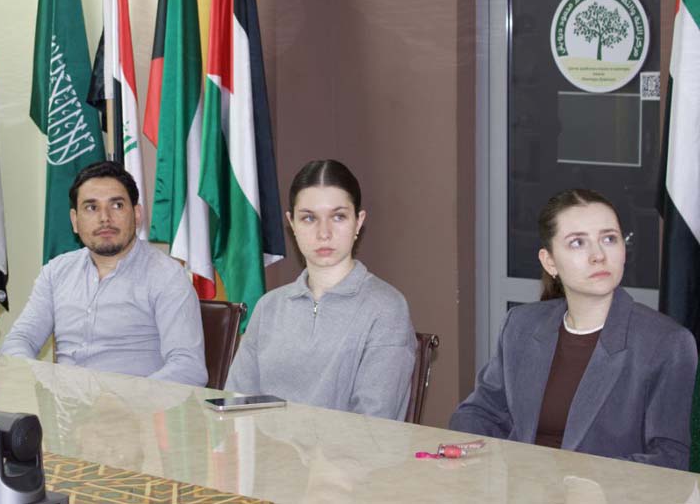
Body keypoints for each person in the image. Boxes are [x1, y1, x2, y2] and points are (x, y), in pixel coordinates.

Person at [450, 188, 698, 469]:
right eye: (578, 243)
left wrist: (586, 479)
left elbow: (671, 457)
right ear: (550, 262)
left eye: (609, 238)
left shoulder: (666, 342)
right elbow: (480, 412)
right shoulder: (520, 325)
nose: (598, 255)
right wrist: (465, 452)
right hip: (521, 485)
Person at [225, 159, 416, 419]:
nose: (323, 233)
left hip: (349, 447)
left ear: (358, 221)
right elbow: (236, 404)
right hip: (264, 445)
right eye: (309, 218)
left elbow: (374, 423)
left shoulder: (386, 309)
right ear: (292, 224)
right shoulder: (268, 307)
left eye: (338, 217)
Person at [0, 161, 207, 386]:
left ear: (137, 215)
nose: (104, 218)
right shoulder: (56, 272)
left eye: (117, 205)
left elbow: (188, 369)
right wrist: (40, 382)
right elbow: (20, 340)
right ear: (74, 221)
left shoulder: (167, 277)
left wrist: (124, 399)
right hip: (64, 404)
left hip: (136, 404)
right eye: (91, 207)